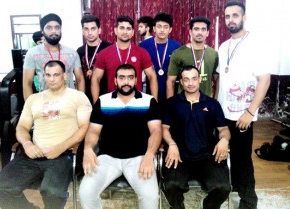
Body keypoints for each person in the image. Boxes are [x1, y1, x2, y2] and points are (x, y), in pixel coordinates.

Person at [0, 60, 92, 209]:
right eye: (48, 75)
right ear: (43, 76)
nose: (51, 79)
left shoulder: (78, 97)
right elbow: (22, 127)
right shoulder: (33, 99)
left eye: (56, 75)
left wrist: (61, 147)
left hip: (62, 155)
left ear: (65, 76)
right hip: (33, 154)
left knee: (52, 192)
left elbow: (84, 127)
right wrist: (27, 144)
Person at [79, 64, 162, 209]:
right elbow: (93, 131)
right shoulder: (103, 101)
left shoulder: (149, 101)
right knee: (86, 192)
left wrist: (149, 156)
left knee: (151, 197)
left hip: (139, 158)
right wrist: (87, 149)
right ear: (115, 80)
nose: (126, 82)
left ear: (136, 80)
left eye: (130, 78)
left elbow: (156, 131)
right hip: (107, 158)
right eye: (122, 78)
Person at [216, 2, 271, 209]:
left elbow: (264, 80)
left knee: (242, 159)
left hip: (243, 114)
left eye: (235, 15)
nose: (231, 20)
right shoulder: (223, 46)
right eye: (228, 16)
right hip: (223, 112)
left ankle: (249, 202)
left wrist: (250, 112)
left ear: (244, 18)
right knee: (221, 154)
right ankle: (230, 187)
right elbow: (221, 80)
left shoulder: (255, 44)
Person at [162, 66, 231, 209]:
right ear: (181, 82)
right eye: (186, 79)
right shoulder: (172, 103)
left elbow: (223, 129)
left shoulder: (212, 104)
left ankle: (208, 206)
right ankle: (177, 207)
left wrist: (224, 140)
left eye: (194, 78)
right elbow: (164, 128)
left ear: (200, 79)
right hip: (179, 156)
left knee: (223, 187)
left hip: (207, 156)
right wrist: (171, 144)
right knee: (170, 186)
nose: (190, 83)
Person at [91, 15, 158, 105]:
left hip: (136, 103)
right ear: (115, 30)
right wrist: (96, 105)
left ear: (133, 32)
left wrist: (155, 103)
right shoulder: (104, 53)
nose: (125, 32)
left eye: (128, 29)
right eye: (122, 28)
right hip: (112, 103)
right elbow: (95, 79)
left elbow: (152, 76)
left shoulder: (142, 53)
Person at [23, 13, 85, 100]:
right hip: (45, 104)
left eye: (57, 27)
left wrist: (80, 102)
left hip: (69, 103)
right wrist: (30, 109)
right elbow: (27, 83)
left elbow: (80, 79)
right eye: (49, 28)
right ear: (42, 31)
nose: (54, 31)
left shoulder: (72, 53)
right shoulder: (32, 53)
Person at [166, 16, 218, 99]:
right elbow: (170, 81)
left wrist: (215, 101)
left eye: (203, 29)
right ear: (190, 31)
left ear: (207, 33)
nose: (200, 32)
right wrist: (170, 106)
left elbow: (217, 80)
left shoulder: (214, 54)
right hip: (183, 103)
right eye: (196, 29)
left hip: (206, 103)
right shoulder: (178, 53)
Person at [139, 12, 181, 105]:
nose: (162, 30)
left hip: (171, 94)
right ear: (154, 28)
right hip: (149, 94)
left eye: (166, 27)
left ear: (170, 29)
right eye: (159, 26)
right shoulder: (143, 45)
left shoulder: (177, 46)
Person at [76, 15, 111, 104]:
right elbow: (78, 78)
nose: (90, 33)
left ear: (99, 30)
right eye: (86, 29)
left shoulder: (109, 48)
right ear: (82, 31)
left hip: (107, 96)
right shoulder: (79, 51)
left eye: (93, 29)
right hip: (86, 98)